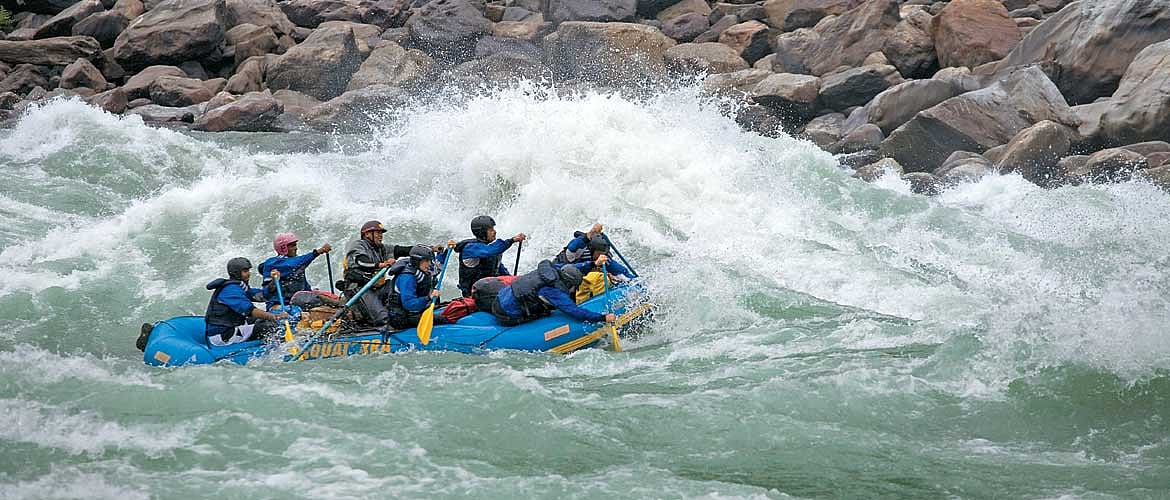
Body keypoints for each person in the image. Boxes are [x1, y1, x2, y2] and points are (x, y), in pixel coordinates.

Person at [490, 259, 616, 327]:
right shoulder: (554, 291)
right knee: (546, 312)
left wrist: (593, 264)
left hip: (499, 298)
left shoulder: (552, 269)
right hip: (506, 314)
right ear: (569, 283)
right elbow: (575, 311)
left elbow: (574, 267)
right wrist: (603, 318)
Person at [340, 220, 414, 327]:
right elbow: (361, 262)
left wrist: (428, 249)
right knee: (383, 318)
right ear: (367, 234)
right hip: (360, 289)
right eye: (378, 233)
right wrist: (380, 265)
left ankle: (410, 314)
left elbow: (402, 250)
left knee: (399, 287)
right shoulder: (358, 245)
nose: (381, 236)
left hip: (377, 288)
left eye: (381, 233)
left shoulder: (381, 248)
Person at [204, 257, 289, 346]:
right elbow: (250, 310)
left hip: (234, 325)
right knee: (269, 325)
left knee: (263, 319)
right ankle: (280, 346)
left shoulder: (239, 286)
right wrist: (275, 317)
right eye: (245, 271)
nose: (248, 274)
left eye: (248, 270)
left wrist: (273, 283)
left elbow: (261, 295)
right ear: (236, 273)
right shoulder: (230, 291)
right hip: (224, 335)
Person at [257, 232, 337, 310]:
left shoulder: (297, 264)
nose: (296, 248)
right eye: (292, 246)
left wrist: (312, 293)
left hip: (298, 301)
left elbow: (304, 286)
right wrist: (318, 252)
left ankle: (341, 306)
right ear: (283, 248)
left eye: (295, 245)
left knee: (331, 302)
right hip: (278, 305)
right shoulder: (274, 263)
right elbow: (292, 264)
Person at [385, 243, 453, 329]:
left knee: (448, 311)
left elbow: (437, 267)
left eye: (430, 260)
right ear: (417, 261)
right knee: (444, 319)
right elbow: (409, 304)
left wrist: (447, 251)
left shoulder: (421, 268)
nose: (429, 264)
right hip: (402, 318)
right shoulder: (407, 278)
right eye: (427, 261)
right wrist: (429, 297)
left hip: (416, 311)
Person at [454, 215, 526, 297]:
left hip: (489, 290)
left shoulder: (488, 249)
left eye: (494, 229)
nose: (495, 232)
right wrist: (512, 240)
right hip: (473, 294)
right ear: (482, 232)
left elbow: (499, 269)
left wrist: (513, 282)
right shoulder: (470, 249)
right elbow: (491, 250)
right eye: (491, 230)